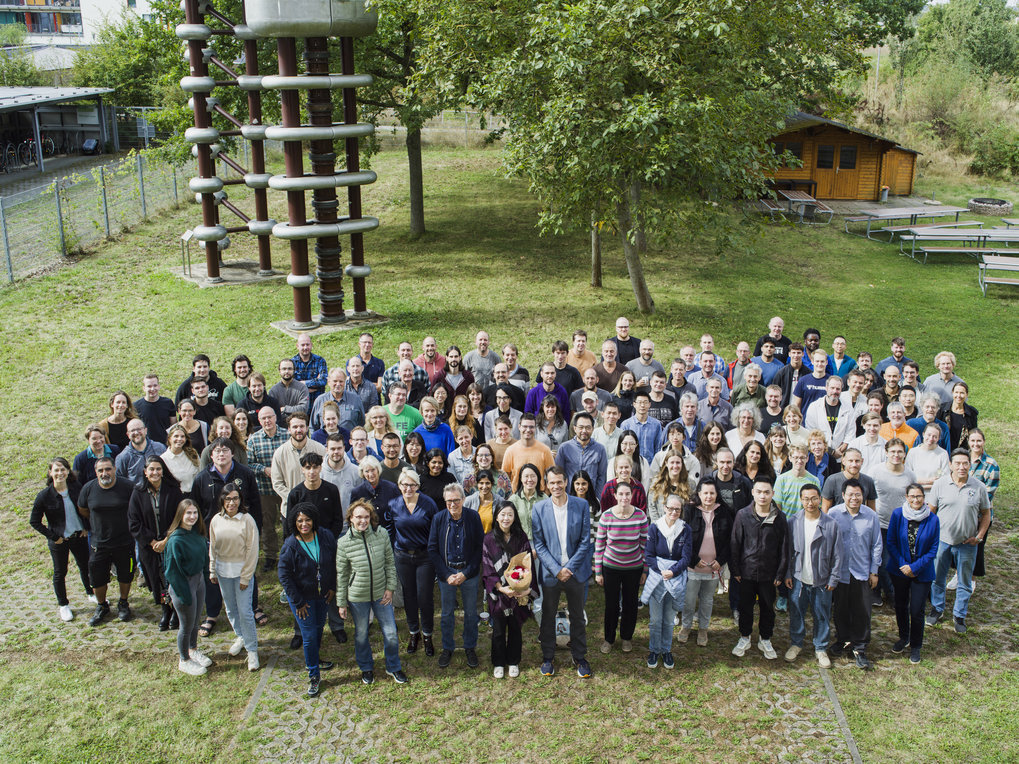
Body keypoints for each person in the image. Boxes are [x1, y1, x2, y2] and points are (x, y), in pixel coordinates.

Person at [336, 499, 407, 685]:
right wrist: (341, 603)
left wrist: (390, 588)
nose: (363, 521)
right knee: (361, 634)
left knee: (391, 632)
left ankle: (393, 666)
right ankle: (366, 668)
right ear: (351, 518)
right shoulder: (343, 543)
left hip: (381, 594)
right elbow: (342, 575)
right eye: (358, 517)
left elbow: (390, 563)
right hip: (357, 597)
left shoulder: (381, 534)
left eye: (366, 517)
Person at [532, 466, 593, 678]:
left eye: (559, 482)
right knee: (548, 617)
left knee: (577, 616)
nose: (556, 486)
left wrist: (569, 568)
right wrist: (558, 570)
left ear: (566, 482)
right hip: (551, 574)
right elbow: (539, 545)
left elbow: (586, 542)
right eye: (551, 483)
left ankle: (580, 656)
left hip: (576, 572)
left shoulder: (581, 505)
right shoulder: (539, 509)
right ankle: (548, 657)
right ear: (546, 485)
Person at [926, 449, 991, 634]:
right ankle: (937, 609)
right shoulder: (940, 485)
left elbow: (986, 514)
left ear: (970, 465)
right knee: (938, 577)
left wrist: (979, 536)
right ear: (951, 465)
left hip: (967, 544)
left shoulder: (978, 487)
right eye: (958, 463)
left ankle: (959, 615)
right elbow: (931, 512)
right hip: (942, 541)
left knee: (964, 581)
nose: (961, 467)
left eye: (965, 463)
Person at [278, 503, 337, 697]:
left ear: (314, 520)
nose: (304, 524)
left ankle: (315, 658)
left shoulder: (325, 536)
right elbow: (284, 575)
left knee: (319, 628)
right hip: (302, 599)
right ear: (294, 523)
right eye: (300, 521)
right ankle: (313, 674)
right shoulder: (290, 545)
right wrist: (297, 601)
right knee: (309, 635)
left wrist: (332, 587)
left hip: (322, 595)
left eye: (308, 520)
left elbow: (336, 562)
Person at [730, 477, 789, 661]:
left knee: (767, 608)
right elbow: (735, 543)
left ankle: (765, 638)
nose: (762, 496)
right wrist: (736, 570)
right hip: (746, 572)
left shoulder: (780, 517)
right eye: (759, 492)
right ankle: (745, 637)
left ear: (772, 494)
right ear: (753, 493)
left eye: (767, 492)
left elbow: (784, 548)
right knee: (745, 606)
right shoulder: (743, 514)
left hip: (769, 574)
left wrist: (780, 572)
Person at [783, 484, 842, 668]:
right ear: (801, 500)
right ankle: (796, 643)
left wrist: (833, 578)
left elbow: (838, 555)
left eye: (814, 498)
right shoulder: (793, 522)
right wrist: (787, 573)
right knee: (797, 613)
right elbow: (787, 551)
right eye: (806, 499)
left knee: (822, 614)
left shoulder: (830, 524)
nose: (810, 502)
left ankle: (821, 647)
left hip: (822, 580)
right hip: (799, 578)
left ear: (820, 499)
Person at [428, 483, 485, 669]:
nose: (453, 504)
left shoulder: (473, 517)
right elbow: (433, 549)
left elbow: (479, 548)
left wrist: (466, 573)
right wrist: (445, 575)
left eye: (456, 500)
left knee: (470, 613)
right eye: (449, 501)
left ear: (463, 500)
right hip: (447, 574)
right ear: (445, 502)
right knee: (446, 614)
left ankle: (470, 646)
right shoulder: (438, 519)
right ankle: (448, 647)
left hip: (468, 572)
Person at [828, 479, 882, 669]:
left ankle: (859, 646)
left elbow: (876, 545)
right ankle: (842, 639)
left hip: (861, 571)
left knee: (862, 611)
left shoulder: (871, 516)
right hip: (839, 571)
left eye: (858, 494)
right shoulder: (833, 514)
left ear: (863, 496)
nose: (854, 498)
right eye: (850, 494)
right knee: (840, 609)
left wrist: (874, 571)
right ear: (843, 495)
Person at [31, 458, 92, 622]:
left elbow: (85, 508)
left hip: (78, 536)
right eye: (56, 470)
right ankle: (63, 605)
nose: (59, 473)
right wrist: (54, 537)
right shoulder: (44, 496)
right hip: (60, 540)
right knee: (60, 572)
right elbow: (34, 521)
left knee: (85, 566)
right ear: (50, 473)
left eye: (63, 469)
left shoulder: (76, 488)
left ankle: (90, 593)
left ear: (68, 471)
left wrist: (86, 527)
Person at [77, 456, 136, 626]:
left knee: (126, 575)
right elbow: (83, 509)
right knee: (97, 578)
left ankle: (123, 603)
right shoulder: (88, 489)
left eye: (108, 469)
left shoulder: (127, 487)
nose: (105, 473)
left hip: (124, 542)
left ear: (115, 469)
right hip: (99, 543)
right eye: (101, 470)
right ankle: (102, 606)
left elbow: (136, 507)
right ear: (96, 472)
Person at [209, 483, 260, 671]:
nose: (232, 502)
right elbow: (212, 547)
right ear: (222, 500)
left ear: (240, 500)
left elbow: (252, 550)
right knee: (230, 609)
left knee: (246, 612)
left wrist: (246, 577)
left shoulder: (247, 520)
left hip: (241, 574)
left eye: (235, 498)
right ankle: (241, 636)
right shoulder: (215, 520)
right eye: (228, 498)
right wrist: (212, 570)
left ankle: (252, 650)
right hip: (223, 573)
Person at [886, 484, 940, 664]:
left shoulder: (932, 519)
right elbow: (891, 542)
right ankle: (904, 637)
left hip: (922, 572)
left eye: (919, 496)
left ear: (924, 497)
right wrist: (903, 564)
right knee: (900, 605)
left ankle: (916, 645)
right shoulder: (897, 515)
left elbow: (933, 549)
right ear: (906, 497)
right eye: (912, 496)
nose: (916, 500)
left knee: (917, 610)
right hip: (899, 570)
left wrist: (914, 567)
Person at [127, 456, 182, 629]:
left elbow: (180, 517)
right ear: (145, 472)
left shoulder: (173, 490)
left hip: (171, 543)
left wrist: (166, 540)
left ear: (163, 470)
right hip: (149, 547)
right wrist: (152, 542)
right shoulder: (138, 492)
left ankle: (177, 612)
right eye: (151, 469)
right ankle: (166, 611)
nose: (155, 472)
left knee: (173, 578)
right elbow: (133, 522)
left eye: (158, 469)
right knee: (157, 580)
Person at [482, 501, 535, 678]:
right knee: (498, 630)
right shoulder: (489, 539)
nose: (506, 518)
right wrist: (500, 588)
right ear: (496, 516)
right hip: (499, 594)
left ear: (514, 517)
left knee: (515, 628)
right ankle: (498, 662)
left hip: (518, 593)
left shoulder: (521, 537)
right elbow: (487, 567)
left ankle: (513, 661)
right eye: (502, 514)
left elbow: (528, 564)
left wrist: (525, 588)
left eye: (510, 515)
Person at [391, 467, 439, 656]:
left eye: (412, 485)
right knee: (408, 595)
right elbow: (390, 528)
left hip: (424, 556)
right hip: (402, 556)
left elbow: (435, 531)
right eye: (404, 484)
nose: (408, 488)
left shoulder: (428, 504)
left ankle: (427, 634)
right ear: (399, 485)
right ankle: (414, 633)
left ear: (418, 486)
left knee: (424, 596)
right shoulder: (394, 504)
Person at [681, 478, 733, 647]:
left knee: (707, 600)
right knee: (689, 600)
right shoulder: (689, 510)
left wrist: (721, 560)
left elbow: (729, 541)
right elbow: (683, 539)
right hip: (693, 567)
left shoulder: (725, 512)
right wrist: (694, 560)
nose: (709, 497)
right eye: (705, 493)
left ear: (717, 494)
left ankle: (703, 629)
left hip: (713, 567)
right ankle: (686, 626)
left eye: (712, 493)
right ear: (699, 494)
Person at [163, 499, 212, 675]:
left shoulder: (197, 533)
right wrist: (185, 595)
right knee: (186, 625)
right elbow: (172, 572)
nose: (192, 517)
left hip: (198, 581)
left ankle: (193, 649)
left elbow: (203, 559)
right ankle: (184, 659)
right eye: (188, 513)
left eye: (195, 513)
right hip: (183, 585)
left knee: (195, 621)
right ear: (180, 515)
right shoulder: (175, 540)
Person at [642, 492, 691, 669]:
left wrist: (672, 571)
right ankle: (654, 650)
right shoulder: (655, 527)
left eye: (677, 509)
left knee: (669, 619)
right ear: (664, 508)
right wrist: (661, 570)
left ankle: (666, 650)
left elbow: (686, 558)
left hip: (675, 579)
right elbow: (649, 555)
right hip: (658, 578)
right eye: (671, 508)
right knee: (656, 619)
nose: (674, 512)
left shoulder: (685, 529)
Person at [870, 438, 915, 606]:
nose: (896, 455)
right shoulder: (875, 471)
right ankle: (880, 591)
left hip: (900, 524)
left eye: (900, 452)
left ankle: (892, 592)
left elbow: (913, 498)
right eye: (893, 451)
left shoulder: (909, 474)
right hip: (879, 522)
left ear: (904, 454)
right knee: (880, 560)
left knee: (894, 560)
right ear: (886, 452)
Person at [246, 407, 289, 570]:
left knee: (288, 522)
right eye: (263, 418)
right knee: (268, 524)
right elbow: (249, 464)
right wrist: (264, 470)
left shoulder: (287, 435)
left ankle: (289, 553)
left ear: (275, 418)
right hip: (265, 489)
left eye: (270, 417)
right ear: (259, 421)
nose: (267, 421)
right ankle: (270, 556)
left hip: (285, 487)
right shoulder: (254, 440)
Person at [967, 428, 998, 583]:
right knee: (962, 546)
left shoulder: (991, 464)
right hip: (963, 513)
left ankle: (971, 579)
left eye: (979, 441)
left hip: (980, 515)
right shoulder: (963, 459)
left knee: (976, 547)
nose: (976, 444)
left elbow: (988, 494)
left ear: (984, 442)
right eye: (973, 440)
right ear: (968, 442)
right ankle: (960, 575)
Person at [803, 375, 854, 459]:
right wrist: (831, 451)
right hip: (819, 454)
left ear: (841, 390)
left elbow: (850, 433)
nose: (835, 391)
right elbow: (811, 432)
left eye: (838, 389)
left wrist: (841, 449)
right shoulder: (814, 407)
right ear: (826, 388)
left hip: (840, 455)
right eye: (832, 388)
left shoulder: (848, 408)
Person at [501, 414, 555, 488]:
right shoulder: (510, 450)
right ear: (519, 427)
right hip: (516, 496)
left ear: (535, 428)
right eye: (525, 426)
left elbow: (552, 476)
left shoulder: (545, 450)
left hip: (539, 496)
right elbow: (504, 477)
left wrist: (545, 494)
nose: (528, 430)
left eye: (531, 427)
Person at [647, 451, 692, 523]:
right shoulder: (656, 482)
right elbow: (652, 506)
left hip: (681, 527)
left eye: (678, 463)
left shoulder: (690, 483)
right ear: (666, 463)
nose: (675, 466)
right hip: (660, 526)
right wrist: (657, 526)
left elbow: (691, 509)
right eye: (672, 462)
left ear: (682, 464)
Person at [905, 423, 950, 490]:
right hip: (915, 493)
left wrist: (921, 484)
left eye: (935, 436)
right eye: (929, 435)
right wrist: (929, 481)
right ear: (923, 434)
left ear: (938, 439)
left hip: (935, 492)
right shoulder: (913, 452)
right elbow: (907, 477)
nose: (931, 439)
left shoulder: (943, 454)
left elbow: (944, 479)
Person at [135, 374, 177, 445]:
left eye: (155, 385)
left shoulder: (168, 403)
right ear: (144, 388)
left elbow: (174, 426)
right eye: (149, 386)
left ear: (159, 386)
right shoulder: (136, 406)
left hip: (166, 445)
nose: (152, 389)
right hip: (146, 446)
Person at [937, 381, 978, 451]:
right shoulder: (942, 409)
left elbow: (973, 433)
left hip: (962, 451)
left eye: (962, 393)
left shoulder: (971, 412)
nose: (958, 396)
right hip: (943, 449)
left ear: (966, 395)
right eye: (956, 392)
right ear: (952, 393)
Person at [509, 463, 546, 541]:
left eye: (533, 476)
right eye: (526, 476)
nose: (530, 480)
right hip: (519, 542)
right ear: (521, 479)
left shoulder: (544, 499)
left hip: (541, 542)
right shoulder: (513, 500)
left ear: (538, 478)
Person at [292, 333, 328, 405]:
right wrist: (315, 384)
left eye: (307, 344)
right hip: (299, 403)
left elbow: (323, 381)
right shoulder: (292, 363)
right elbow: (292, 386)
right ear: (297, 346)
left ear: (311, 345)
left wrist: (304, 383)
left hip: (317, 403)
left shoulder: (320, 361)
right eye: (302, 345)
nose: (305, 347)